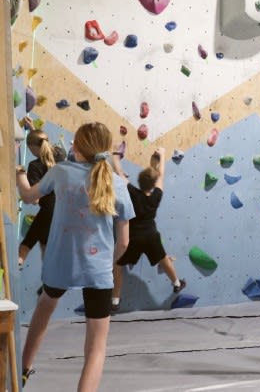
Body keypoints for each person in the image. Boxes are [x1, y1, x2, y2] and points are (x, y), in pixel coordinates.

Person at [15, 122, 134, 391]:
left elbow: (28, 195)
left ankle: (21, 370)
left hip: (60, 265)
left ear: (76, 147)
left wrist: (18, 171)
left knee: (44, 309)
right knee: (96, 349)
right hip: (98, 272)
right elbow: (124, 242)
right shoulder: (117, 183)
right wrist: (107, 262)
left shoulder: (60, 172)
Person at [110, 146, 186, 312]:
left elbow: (120, 174)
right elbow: (161, 176)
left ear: (139, 181)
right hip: (151, 236)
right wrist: (163, 154)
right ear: (152, 185)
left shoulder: (131, 192)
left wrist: (115, 157)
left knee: (118, 265)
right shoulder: (156, 197)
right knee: (163, 258)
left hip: (134, 238)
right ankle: (177, 283)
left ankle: (115, 300)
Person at [17, 118, 65, 267]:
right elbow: (43, 144)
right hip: (65, 210)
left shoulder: (34, 166)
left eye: (30, 148)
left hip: (50, 210)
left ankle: (14, 268)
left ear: (32, 148)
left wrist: (20, 175)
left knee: (27, 244)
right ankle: (48, 283)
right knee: (44, 243)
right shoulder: (61, 153)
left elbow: (34, 199)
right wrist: (33, 129)